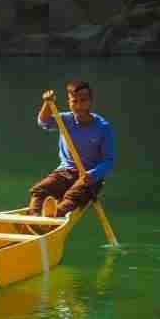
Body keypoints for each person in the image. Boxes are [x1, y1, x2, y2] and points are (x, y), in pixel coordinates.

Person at [28, 79, 116, 218]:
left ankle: (55, 216)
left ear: (91, 101)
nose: (79, 105)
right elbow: (43, 122)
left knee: (72, 195)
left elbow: (109, 160)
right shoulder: (66, 119)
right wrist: (47, 103)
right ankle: (33, 217)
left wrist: (93, 174)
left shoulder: (103, 127)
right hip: (65, 172)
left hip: (89, 177)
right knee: (40, 190)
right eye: (74, 101)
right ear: (69, 102)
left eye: (83, 100)